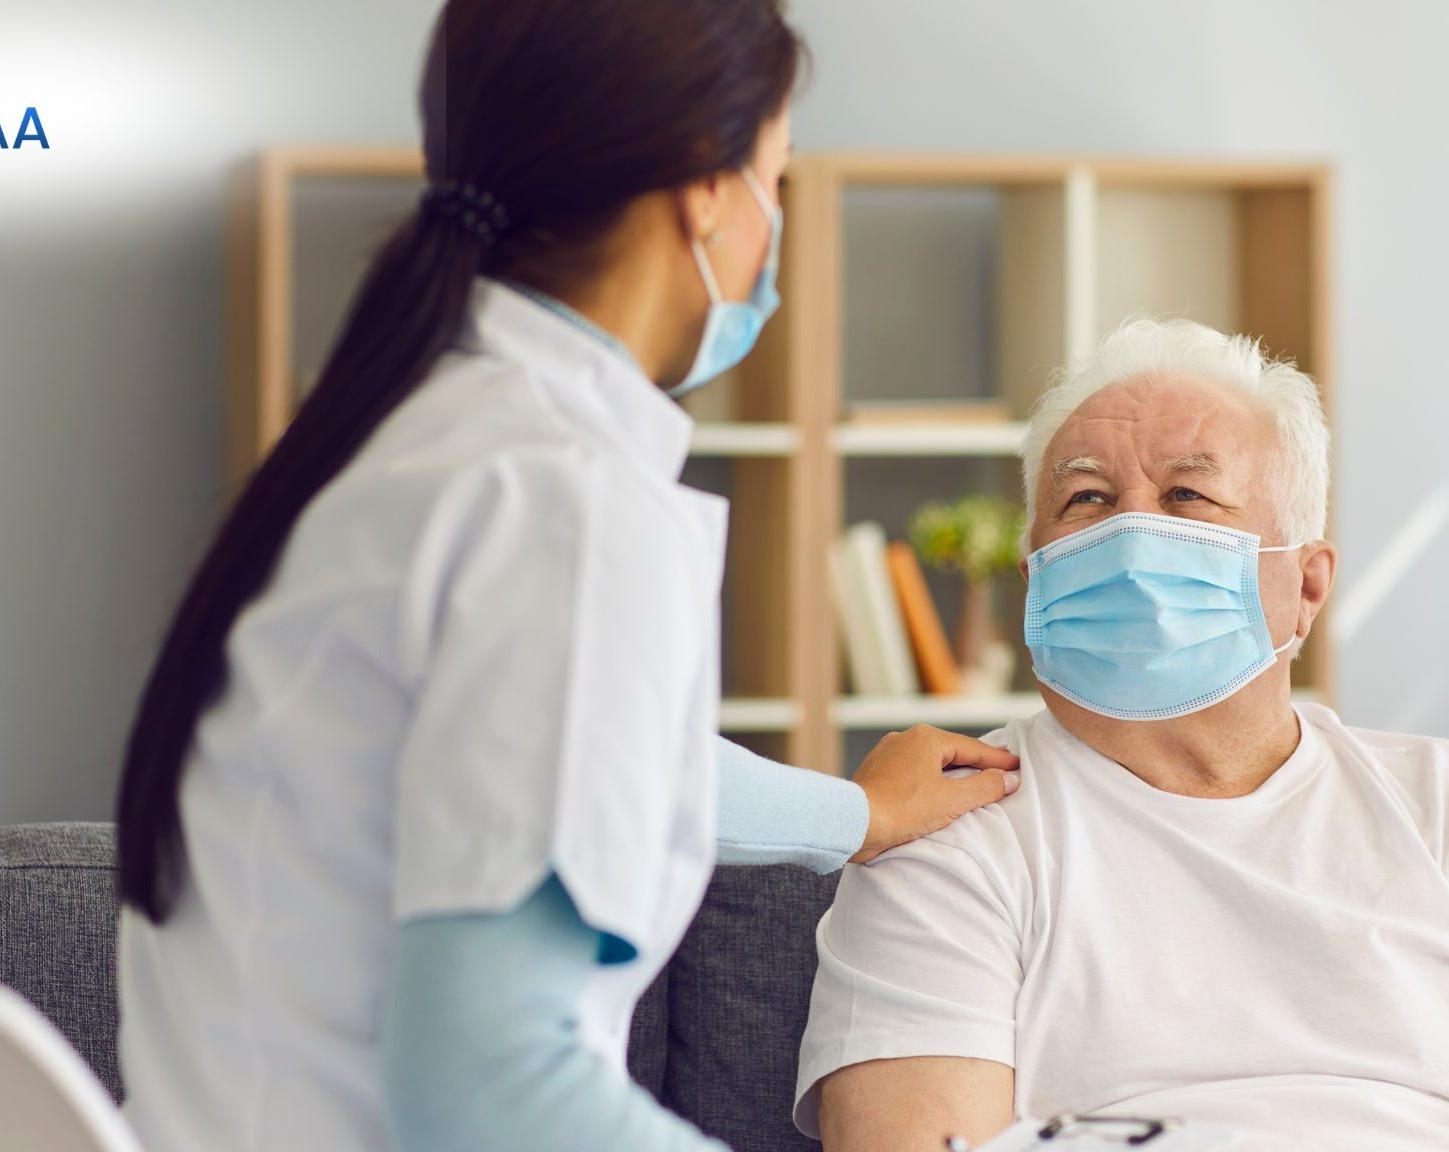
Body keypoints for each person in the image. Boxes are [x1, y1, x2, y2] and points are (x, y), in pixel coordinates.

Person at [110, 3, 1020, 1150]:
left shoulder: (402, 443)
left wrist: (857, 814)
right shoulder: (564, 503)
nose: (773, 227)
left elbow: (574, 758)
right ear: (706, 190)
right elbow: (493, 1089)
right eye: (777, 177)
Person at [794, 318, 1449, 1152]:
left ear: (1306, 586)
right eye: (1085, 498)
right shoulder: (946, 829)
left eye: (1187, 496)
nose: (1130, 534)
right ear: (1034, 577)